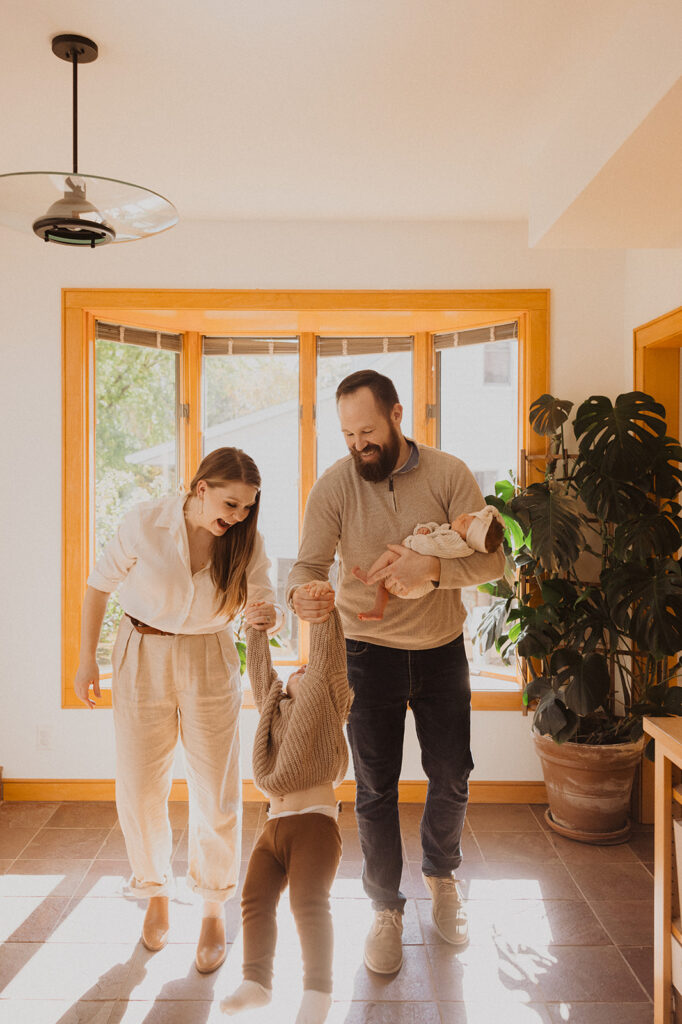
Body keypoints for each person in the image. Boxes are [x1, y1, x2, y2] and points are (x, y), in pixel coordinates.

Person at [287, 370, 505, 975]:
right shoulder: (333, 487)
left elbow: (492, 559)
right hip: (366, 654)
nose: (359, 444)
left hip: (441, 648)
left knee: (452, 773)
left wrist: (431, 573)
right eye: (348, 434)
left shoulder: (449, 473)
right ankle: (385, 908)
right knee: (374, 786)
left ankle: (442, 876)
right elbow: (305, 567)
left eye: (368, 430)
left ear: (397, 416)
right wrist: (303, 595)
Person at [74, 447, 281, 974]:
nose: (236, 516)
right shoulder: (144, 522)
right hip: (140, 651)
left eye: (246, 508)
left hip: (211, 655)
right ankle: (157, 890)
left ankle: (213, 906)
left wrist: (266, 614)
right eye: (230, 503)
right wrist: (84, 663)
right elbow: (99, 586)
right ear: (200, 487)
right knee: (141, 788)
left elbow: (266, 602)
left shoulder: (245, 541)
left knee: (216, 790)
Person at [221, 581, 350, 1024]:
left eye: (303, 668)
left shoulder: (326, 701)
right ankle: (256, 982)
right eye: (293, 669)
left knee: (308, 902)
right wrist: (256, 629)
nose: (298, 670)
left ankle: (319, 992)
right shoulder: (274, 712)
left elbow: (330, 662)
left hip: (314, 823)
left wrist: (320, 616)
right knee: (254, 897)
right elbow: (261, 675)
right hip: (273, 827)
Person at [352, 507, 505, 620]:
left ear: (469, 538)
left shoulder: (456, 543)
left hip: (417, 583)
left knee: (389, 556)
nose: (463, 515)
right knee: (383, 586)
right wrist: (424, 529)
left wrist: (416, 541)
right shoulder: (451, 532)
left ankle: (369, 577)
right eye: (468, 516)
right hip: (412, 580)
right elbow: (434, 531)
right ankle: (378, 610)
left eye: (465, 523)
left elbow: (429, 547)